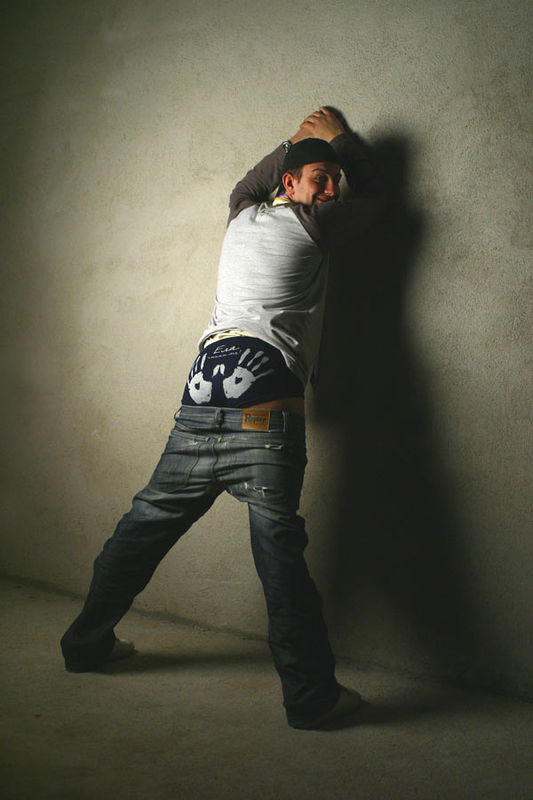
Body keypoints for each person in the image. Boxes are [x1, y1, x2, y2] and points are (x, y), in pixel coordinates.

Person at [60, 106, 385, 729]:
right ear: (291, 186)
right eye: (320, 179)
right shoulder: (318, 223)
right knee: (279, 557)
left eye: (333, 182)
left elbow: (247, 183)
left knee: (144, 526)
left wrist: (296, 141)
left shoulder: (241, 215)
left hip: (199, 403)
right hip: (262, 416)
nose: (331, 191)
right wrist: (338, 138)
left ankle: (85, 643)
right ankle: (311, 698)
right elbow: (377, 199)